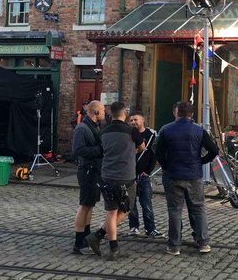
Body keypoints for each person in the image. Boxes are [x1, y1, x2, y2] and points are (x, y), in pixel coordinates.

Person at [153, 101, 219, 256]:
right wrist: (201, 161)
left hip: (173, 175)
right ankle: (203, 242)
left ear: (176, 113)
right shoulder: (199, 130)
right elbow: (214, 150)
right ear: (192, 115)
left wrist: (166, 165)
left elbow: (157, 151)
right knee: (198, 209)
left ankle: (174, 246)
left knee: (175, 211)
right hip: (194, 175)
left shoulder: (166, 129)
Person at [86, 101, 145, 260]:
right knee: (127, 208)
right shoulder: (132, 131)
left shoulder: (103, 132)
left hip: (107, 175)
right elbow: (142, 147)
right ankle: (100, 237)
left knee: (111, 211)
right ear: (124, 113)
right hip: (126, 176)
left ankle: (111, 245)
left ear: (111, 114)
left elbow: (102, 149)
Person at [71, 100, 105, 255]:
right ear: (96, 112)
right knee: (84, 205)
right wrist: (99, 149)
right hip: (86, 170)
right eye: (103, 110)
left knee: (90, 204)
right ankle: (78, 242)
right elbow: (77, 150)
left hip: (94, 170)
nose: (105, 113)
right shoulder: (82, 128)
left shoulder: (94, 127)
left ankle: (86, 236)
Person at [127, 111, 165, 238]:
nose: (133, 122)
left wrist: (148, 171)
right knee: (130, 203)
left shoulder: (151, 134)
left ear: (142, 120)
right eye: (131, 120)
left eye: (135, 119)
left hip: (144, 175)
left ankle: (150, 228)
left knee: (146, 203)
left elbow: (153, 154)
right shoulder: (128, 134)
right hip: (130, 174)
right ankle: (134, 227)